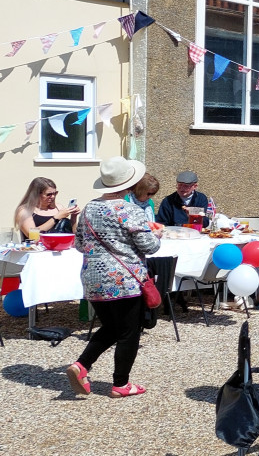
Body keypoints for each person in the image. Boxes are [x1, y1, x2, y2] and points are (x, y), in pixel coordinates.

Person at [66, 156, 161, 398]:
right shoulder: (129, 210)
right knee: (129, 332)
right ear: (129, 185)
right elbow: (149, 247)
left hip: (93, 279)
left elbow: (78, 244)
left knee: (111, 327)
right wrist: (157, 234)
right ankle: (121, 384)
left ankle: (81, 365)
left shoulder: (88, 209)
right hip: (125, 280)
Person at [14, 177, 80, 240]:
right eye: (49, 194)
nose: (53, 197)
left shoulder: (58, 208)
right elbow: (32, 236)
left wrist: (73, 217)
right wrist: (56, 218)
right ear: (36, 194)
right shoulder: (25, 211)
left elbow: (72, 234)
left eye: (55, 193)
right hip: (35, 250)